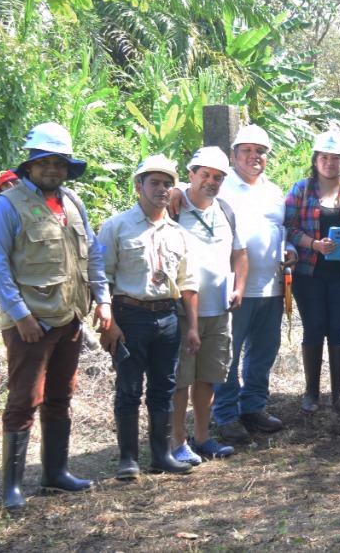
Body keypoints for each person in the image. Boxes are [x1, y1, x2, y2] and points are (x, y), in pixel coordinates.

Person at [0, 123, 111, 510]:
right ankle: (12, 488)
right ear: (30, 165)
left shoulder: (72, 203)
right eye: (44, 162)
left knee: (61, 396)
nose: (52, 169)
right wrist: (19, 315)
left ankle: (56, 474)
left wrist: (102, 298)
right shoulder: (6, 205)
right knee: (24, 400)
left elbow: (93, 252)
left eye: (59, 162)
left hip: (69, 317)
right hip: (31, 324)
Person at [98, 154, 200, 479]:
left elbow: (186, 283)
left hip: (167, 317)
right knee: (129, 387)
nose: (162, 189)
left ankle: (162, 455)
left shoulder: (178, 233)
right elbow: (102, 279)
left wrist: (193, 327)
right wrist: (108, 323)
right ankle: (128, 459)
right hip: (129, 316)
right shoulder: (116, 227)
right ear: (138, 185)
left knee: (164, 387)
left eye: (168, 184)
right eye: (154, 183)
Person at [211, 124, 295, 443]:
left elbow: (282, 231)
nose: (254, 156)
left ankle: (254, 407)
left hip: (272, 286)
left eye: (260, 151)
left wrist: (290, 250)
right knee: (229, 353)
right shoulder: (221, 185)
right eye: (246, 150)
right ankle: (227, 414)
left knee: (263, 352)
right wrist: (176, 190)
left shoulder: (274, 192)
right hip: (234, 287)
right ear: (233, 155)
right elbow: (189, 190)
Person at [170, 147, 246, 465]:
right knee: (180, 380)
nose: (211, 182)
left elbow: (240, 254)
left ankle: (202, 438)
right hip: (181, 312)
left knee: (208, 378)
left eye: (217, 177)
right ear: (191, 174)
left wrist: (239, 287)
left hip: (219, 311)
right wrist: (173, 190)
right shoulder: (173, 207)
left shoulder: (225, 210)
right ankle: (176, 443)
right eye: (205, 175)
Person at [284, 130, 340, 415]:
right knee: (315, 328)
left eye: (335, 158)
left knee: (339, 330)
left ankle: (338, 395)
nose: (329, 162)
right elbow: (289, 227)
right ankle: (312, 393)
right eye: (324, 157)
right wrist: (313, 244)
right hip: (309, 272)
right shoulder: (301, 189)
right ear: (315, 160)